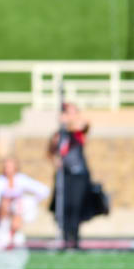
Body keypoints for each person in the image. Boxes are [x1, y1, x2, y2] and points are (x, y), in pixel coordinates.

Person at [0, 157, 50, 250]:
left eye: (10, 167)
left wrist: (30, 202)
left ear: (15, 167)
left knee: (19, 204)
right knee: (5, 202)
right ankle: (4, 231)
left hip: (20, 212)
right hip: (4, 213)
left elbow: (43, 190)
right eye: (5, 166)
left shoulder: (22, 179)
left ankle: (16, 232)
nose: (7, 169)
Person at [48, 103, 92, 249]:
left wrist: (69, 120)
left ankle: (75, 235)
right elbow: (50, 152)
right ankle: (66, 236)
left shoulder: (77, 132)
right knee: (64, 205)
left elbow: (84, 125)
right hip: (64, 175)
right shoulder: (59, 135)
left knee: (76, 205)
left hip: (78, 175)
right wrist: (55, 161)